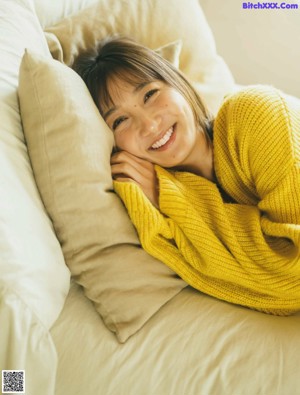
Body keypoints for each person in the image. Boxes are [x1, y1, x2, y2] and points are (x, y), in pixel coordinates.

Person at [73, 36, 300, 316]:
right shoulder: (147, 192)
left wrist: (172, 197)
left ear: (178, 83)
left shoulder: (255, 113)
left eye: (149, 94)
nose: (150, 123)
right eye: (120, 121)